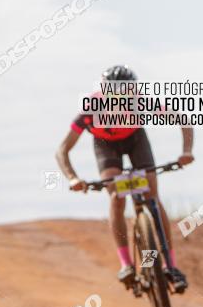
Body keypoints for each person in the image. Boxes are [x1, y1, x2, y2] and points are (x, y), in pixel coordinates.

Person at [55, 64, 193, 292]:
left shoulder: (142, 102)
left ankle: (171, 265)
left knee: (152, 199)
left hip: (135, 139)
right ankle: (126, 264)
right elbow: (62, 150)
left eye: (127, 92)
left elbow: (182, 120)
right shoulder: (90, 110)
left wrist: (186, 151)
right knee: (117, 198)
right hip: (106, 146)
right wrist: (72, 178)